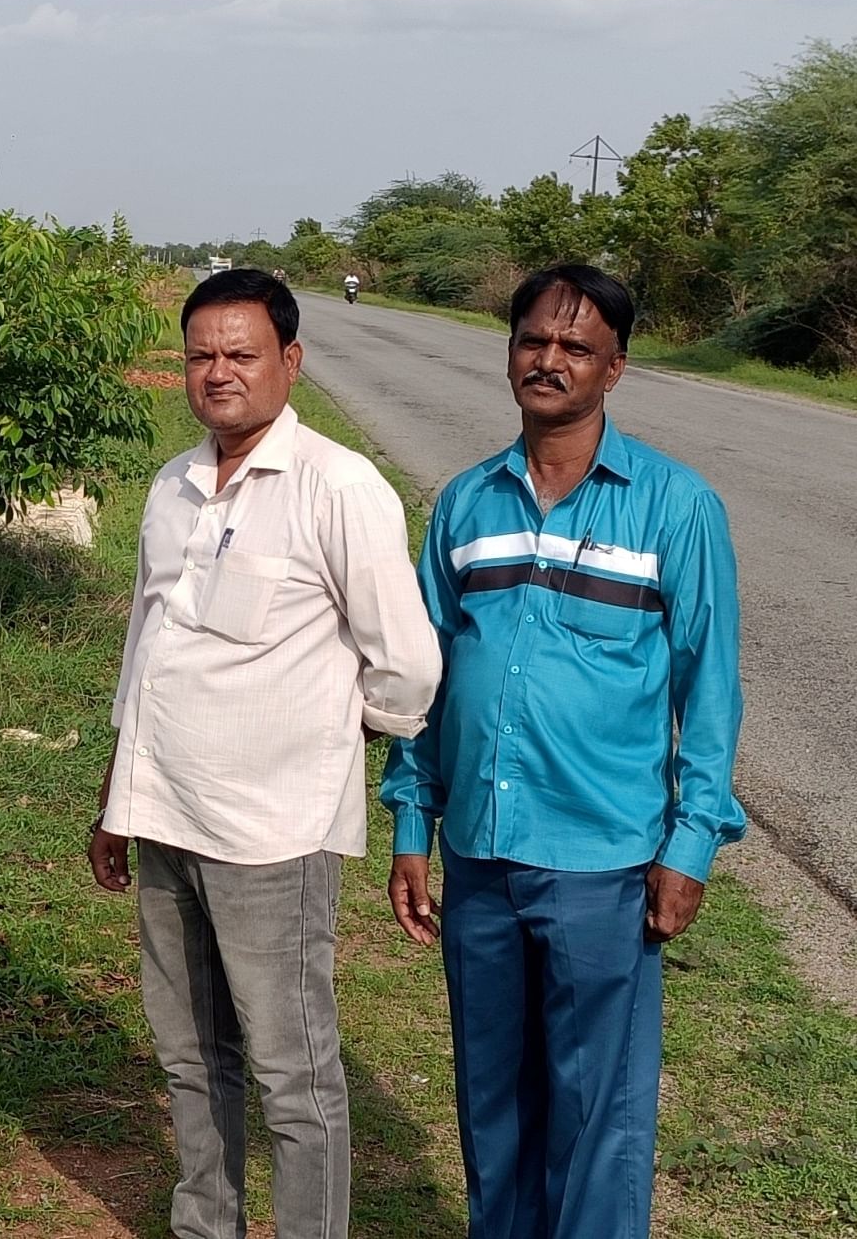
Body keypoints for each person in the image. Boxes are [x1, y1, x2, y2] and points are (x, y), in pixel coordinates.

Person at [382, 264, 745, 1239]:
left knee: (597, 1119)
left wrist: (690, 845)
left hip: (604, 863)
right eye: (532, 341)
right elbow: (423, 680)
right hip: (481, 856)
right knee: (491, 1105)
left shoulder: (674, 507)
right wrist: (412, 822)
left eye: (575, 347)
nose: (548, 360)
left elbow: (708, 689)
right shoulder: (465, 506)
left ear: (614, 368)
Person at [88, 269, 442, 1239]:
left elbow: (406, 664)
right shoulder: (172, 486)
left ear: (289, 360)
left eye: (240, 353)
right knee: (190, 1052)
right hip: (165, 817)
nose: (217, 373)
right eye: (200, 354)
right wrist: (117, 793)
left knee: (293, 1074)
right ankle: (207, 1223)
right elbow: (145, 648)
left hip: (271, 835)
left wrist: (340, 727)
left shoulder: (338, 486)